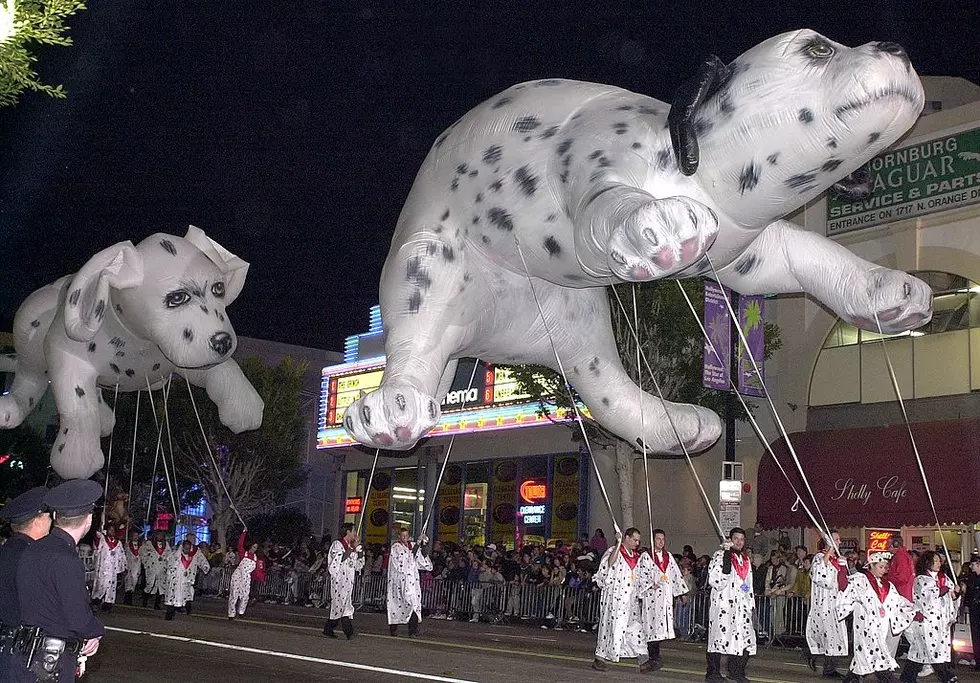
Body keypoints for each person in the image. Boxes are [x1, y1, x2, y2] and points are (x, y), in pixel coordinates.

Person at [12, 480, 105, 682]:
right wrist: (95, 632)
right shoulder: (66, 558)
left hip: (23, 655)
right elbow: (78, 617)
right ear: (89, 519)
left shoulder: (32, 549)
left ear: (55, 516)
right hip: (48, 664)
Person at [837, 551, 914, 683]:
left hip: (880, 630)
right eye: (880, 567)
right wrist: (843, 570)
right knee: (878, 661)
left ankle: (852, 678)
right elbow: (845, 589)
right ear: (871, 566)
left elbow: (897, 601)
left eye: (885, 567)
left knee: (862, 663)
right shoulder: (860, 580)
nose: (883, 570)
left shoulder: (887, 585)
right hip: (865, 629)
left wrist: (913, 608)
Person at [0, 487, 50, 680]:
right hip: (21, 649)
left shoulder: (8, 550)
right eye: (47, 516)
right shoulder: (31, 557)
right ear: (37, 521)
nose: (51, 520)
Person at [592, 527, 655, 672]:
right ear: (626, 538)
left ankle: (643, 660)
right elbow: (609, 564)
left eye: (638, 541)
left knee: (636, 629)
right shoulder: (615, 551)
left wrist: (650, 585)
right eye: (634, 540)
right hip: (615, 600)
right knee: (610, 629)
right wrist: (618, 543)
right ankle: (599, 658)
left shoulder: (636, 557)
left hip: (630, 600)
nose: (637, 543)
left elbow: (639, 577)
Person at [900, 551, 961, 683]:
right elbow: (927, 597)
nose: (939, 563)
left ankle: (907, 677)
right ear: (928, 562)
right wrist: (943, 590)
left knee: (919, 651)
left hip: (941, 623)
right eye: (936, 560)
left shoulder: (943, 577)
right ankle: (948, 677)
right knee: (934, 650)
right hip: (927, 622)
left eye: (939, 560)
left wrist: (956, 593)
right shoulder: (921, 579)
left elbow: (952, 597)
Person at [706, 527, 755, 683]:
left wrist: (748, 599)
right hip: (724, 606)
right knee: (719, 639)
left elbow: (746, 584)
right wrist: (727, 554)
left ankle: (736, 671)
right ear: (730, 539)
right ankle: (713, 673)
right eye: (736, 539)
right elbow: (717, 580)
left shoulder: (745, 560)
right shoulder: (719, 556)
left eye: (742, 539)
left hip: (741, 608)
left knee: (744, 639)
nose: (739, 542)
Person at [640, 528, 688, 672]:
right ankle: (652, 656)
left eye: (662, 539)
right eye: (658, 539)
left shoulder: (669, 557)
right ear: (653, 540)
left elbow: (675, 575)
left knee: (661, 628)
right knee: (651, 626)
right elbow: (641, 573)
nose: (661, 542)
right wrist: (649, 583)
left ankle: (655, 654)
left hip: (665, 598)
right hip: (652, 597)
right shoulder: (646, 556)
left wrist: (682, 593)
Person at [805, 531, 849, 679]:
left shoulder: (838, 559)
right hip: (823, 604)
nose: (839, 542)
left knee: (835, 636)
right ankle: (814, 655)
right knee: (824, 634)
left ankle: (829, 667)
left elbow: (843, 583)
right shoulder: (819, 558)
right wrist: (828, 552)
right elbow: (819, 576)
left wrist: (843, 568)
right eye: (836, 539)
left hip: (835, 604)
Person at [387, 528, 434, 636]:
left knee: (414, 604)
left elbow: (421, 558)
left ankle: (413, 630)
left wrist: (423, 543)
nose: (405, 538)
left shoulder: (412, 545)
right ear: (399, 536)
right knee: (397, 605)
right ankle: (393, 629)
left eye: (406, 536)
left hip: (412, 581)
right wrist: (417, 545)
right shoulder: (396, 547)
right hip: (399, 582)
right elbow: (405, 561)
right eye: (402, 536)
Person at [323, 522, 364, 639]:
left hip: (348, 582)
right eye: (353, 531)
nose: (355, 534)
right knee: (343, 606)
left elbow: (358, 564)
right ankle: (349, 632)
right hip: (339, 581)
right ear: (348, 532)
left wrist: (359, 549)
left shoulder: (352, 547)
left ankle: (329, 628)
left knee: (340, 607)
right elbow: (339, 559)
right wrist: (351, 548)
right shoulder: (337, 544)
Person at [164, 535, 210, 620]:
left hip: (187, 578)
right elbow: (170, 561)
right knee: (174, 597)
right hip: (176, 580)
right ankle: (170, 614)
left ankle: (187, 609)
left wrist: (205, 567)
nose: (187, 550)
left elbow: (201, 560)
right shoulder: (177, 553)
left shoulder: (196, 552)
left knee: (188, 594)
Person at [90, 524, 126, 612]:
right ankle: (95, 602)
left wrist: (122, 568)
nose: (112, 532)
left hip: (112, 570)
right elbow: (96, 547)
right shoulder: (103, 540)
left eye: (113, 530)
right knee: (101, 586)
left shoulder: (118, 543)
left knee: (111, 588)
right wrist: (98, 534)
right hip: (102, 569)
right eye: (110, 530)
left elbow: (121, 556)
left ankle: (107, 605)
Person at [228, 529, 257, 620]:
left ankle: (241, 612)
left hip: (246, 578)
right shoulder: (243, 553)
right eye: (253, 547)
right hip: (238, 576)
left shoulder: (256, 558)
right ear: (250, 546)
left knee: (245, 596)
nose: (254, 549)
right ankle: (231, 614)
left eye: (256, 548)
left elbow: (257, 571)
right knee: (234, 594)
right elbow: (240, 543)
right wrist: (244, 533)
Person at [139, 529, 170, 609]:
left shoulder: (166, 545)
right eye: (158, 535)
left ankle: (157, 604)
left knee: (160, 586)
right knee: (149, 584)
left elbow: (170, 556)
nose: (160, 537)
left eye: (161, 535)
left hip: (161, 569)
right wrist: (145, 563)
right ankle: (145, 599)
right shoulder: (149, 544)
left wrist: (167, 565)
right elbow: (141, 552)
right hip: (151, 568)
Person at [122, 528, 143, 606]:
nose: (136, 537)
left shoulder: (141, 545)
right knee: (128, 581)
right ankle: (127, 597)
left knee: (134, 580)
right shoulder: (127, 544)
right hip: (129, 565)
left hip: (137, 566)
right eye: (134, 535)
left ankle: (131, 593)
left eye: (137, 535)